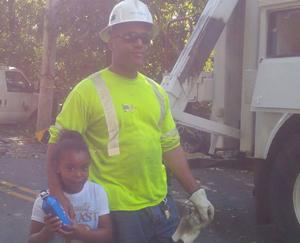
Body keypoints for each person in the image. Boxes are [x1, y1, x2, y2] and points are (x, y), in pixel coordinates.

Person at [47, 0, 214, 242]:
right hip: (117, 211)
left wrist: (195, 191)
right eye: (130, 37)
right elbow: (57, 143)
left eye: (145, 39)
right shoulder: (87, 91)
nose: (139, 44)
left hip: (160, 206)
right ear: (111, 39)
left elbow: (170, 147)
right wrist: (56, 193)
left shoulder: (156, 92)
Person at [29, 130, 112, 243]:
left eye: (84, 168)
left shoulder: (97, 192)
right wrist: (47, 231)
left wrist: (82, 234)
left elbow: (107, 234)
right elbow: (31, 240)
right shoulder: (44, 201)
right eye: (70, 168)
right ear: (57, 167)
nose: (78, 174)